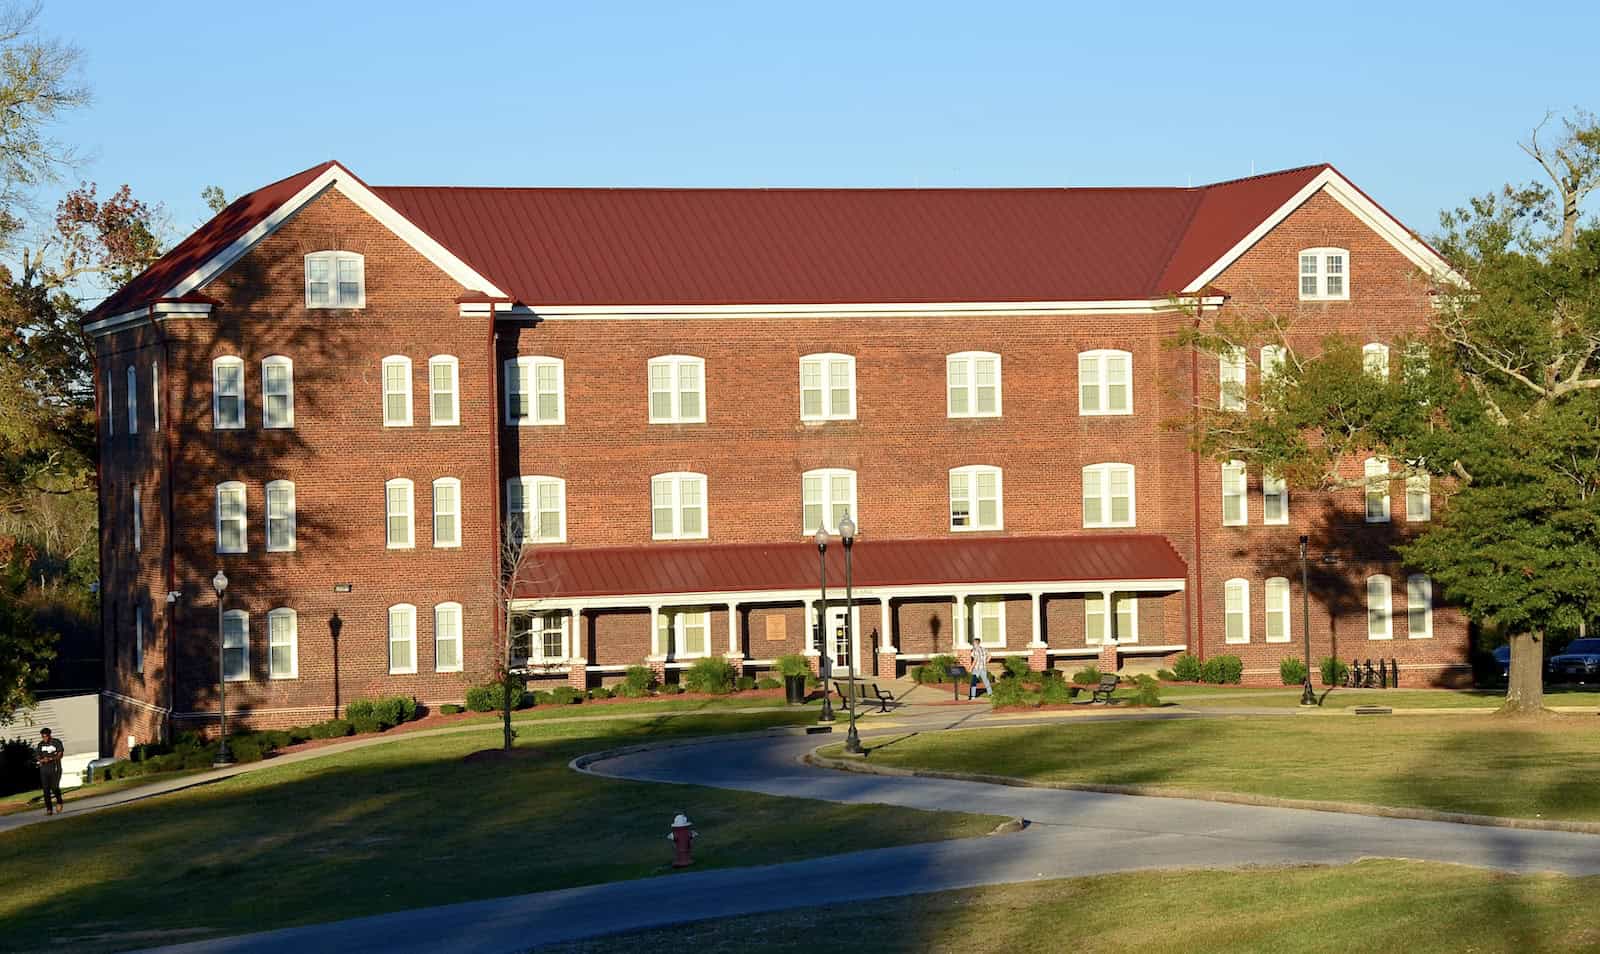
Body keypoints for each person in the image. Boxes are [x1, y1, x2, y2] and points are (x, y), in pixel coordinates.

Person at [37, 727, 65, 815]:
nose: (45, 738)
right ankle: (49, 809)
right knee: (46, 790)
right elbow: (38, 756)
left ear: (49, 735)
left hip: (55, 768)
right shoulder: (40, 745)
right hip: (44, 770)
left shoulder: (56, 742)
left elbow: (60, 755)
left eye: (46, 736)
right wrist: (41, 760)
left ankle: (59, 802)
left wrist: (50, 758)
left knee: (55, 787)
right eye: (43, 736)